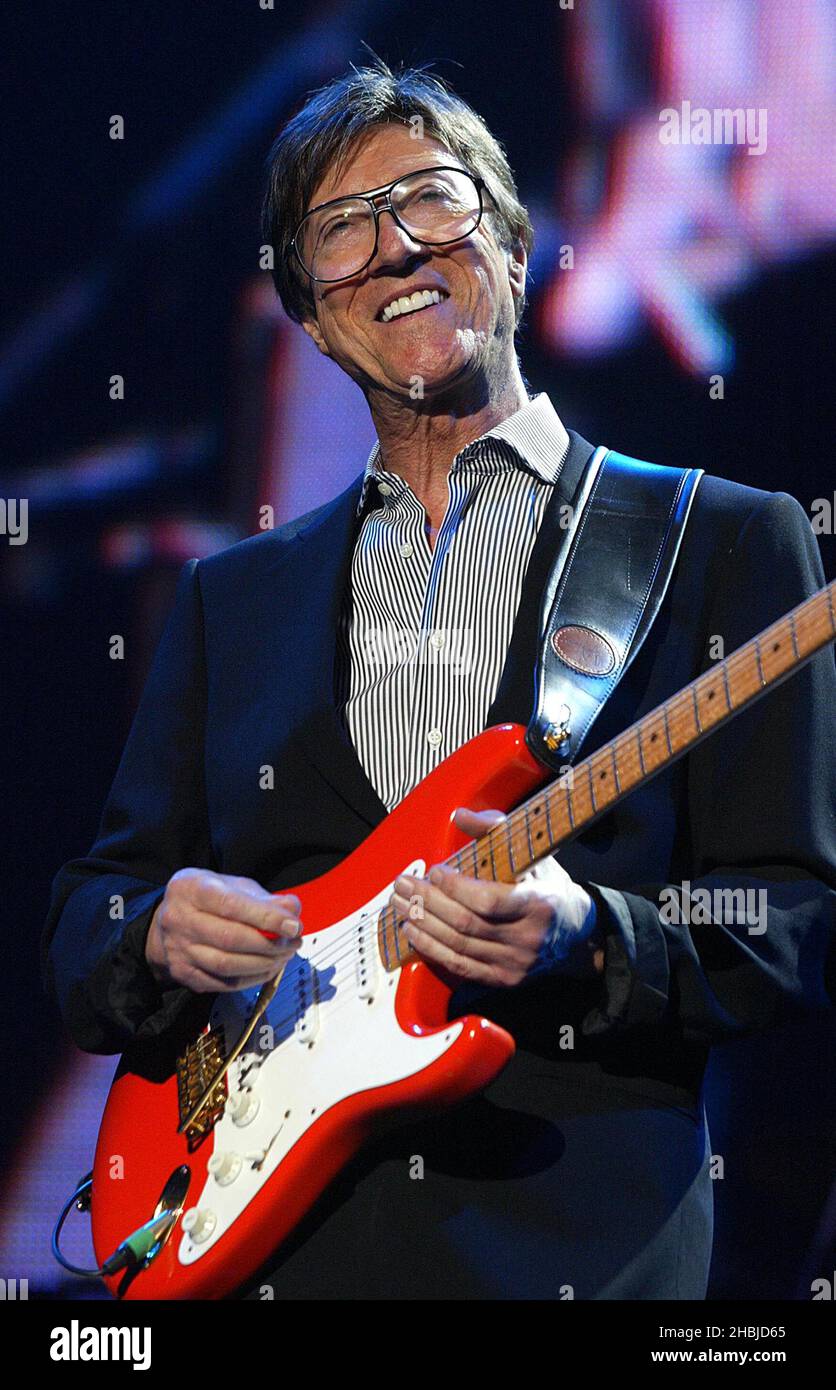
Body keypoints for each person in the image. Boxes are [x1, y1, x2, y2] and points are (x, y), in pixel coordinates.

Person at [43, 61, 836, 1300]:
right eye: (342, 232)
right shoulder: (231, 597)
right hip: (265, 1250)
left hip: (577, 1249)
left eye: (431, 202)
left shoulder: (723, 541)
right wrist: (153, 925)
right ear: (310, 315)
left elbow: (792, 921)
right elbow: (93, 905)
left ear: (513, 247)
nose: (395, 249)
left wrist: (592, 935)